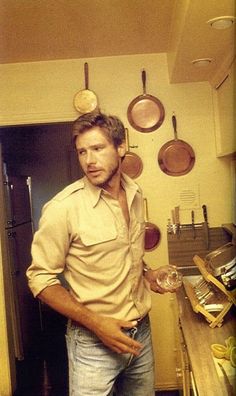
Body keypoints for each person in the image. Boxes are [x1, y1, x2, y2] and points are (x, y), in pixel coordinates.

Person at [26, 111, 170, 396]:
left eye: (97, 149)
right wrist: (97, 324)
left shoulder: (135, 193)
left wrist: (148, 274)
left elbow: (127, 252)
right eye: (82, 152)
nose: (89, 161)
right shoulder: (63, 208)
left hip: (140, 333)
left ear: (120, 147)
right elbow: (40, 280)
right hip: (92, 342)